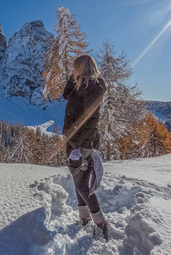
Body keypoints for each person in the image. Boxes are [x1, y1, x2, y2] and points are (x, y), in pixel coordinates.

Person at [62, 55, 108, 240]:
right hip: (73, 140)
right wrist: (74, 78)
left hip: (83, 142)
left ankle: (101, 223)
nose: (72, 71)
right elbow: (66, 94)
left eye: (75, 68)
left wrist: (86, 146)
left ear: (82, 67)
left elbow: (92, 119)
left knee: (82, 184)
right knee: (77, 181)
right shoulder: (80, 85)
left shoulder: (94, 87)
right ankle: (84, 218)